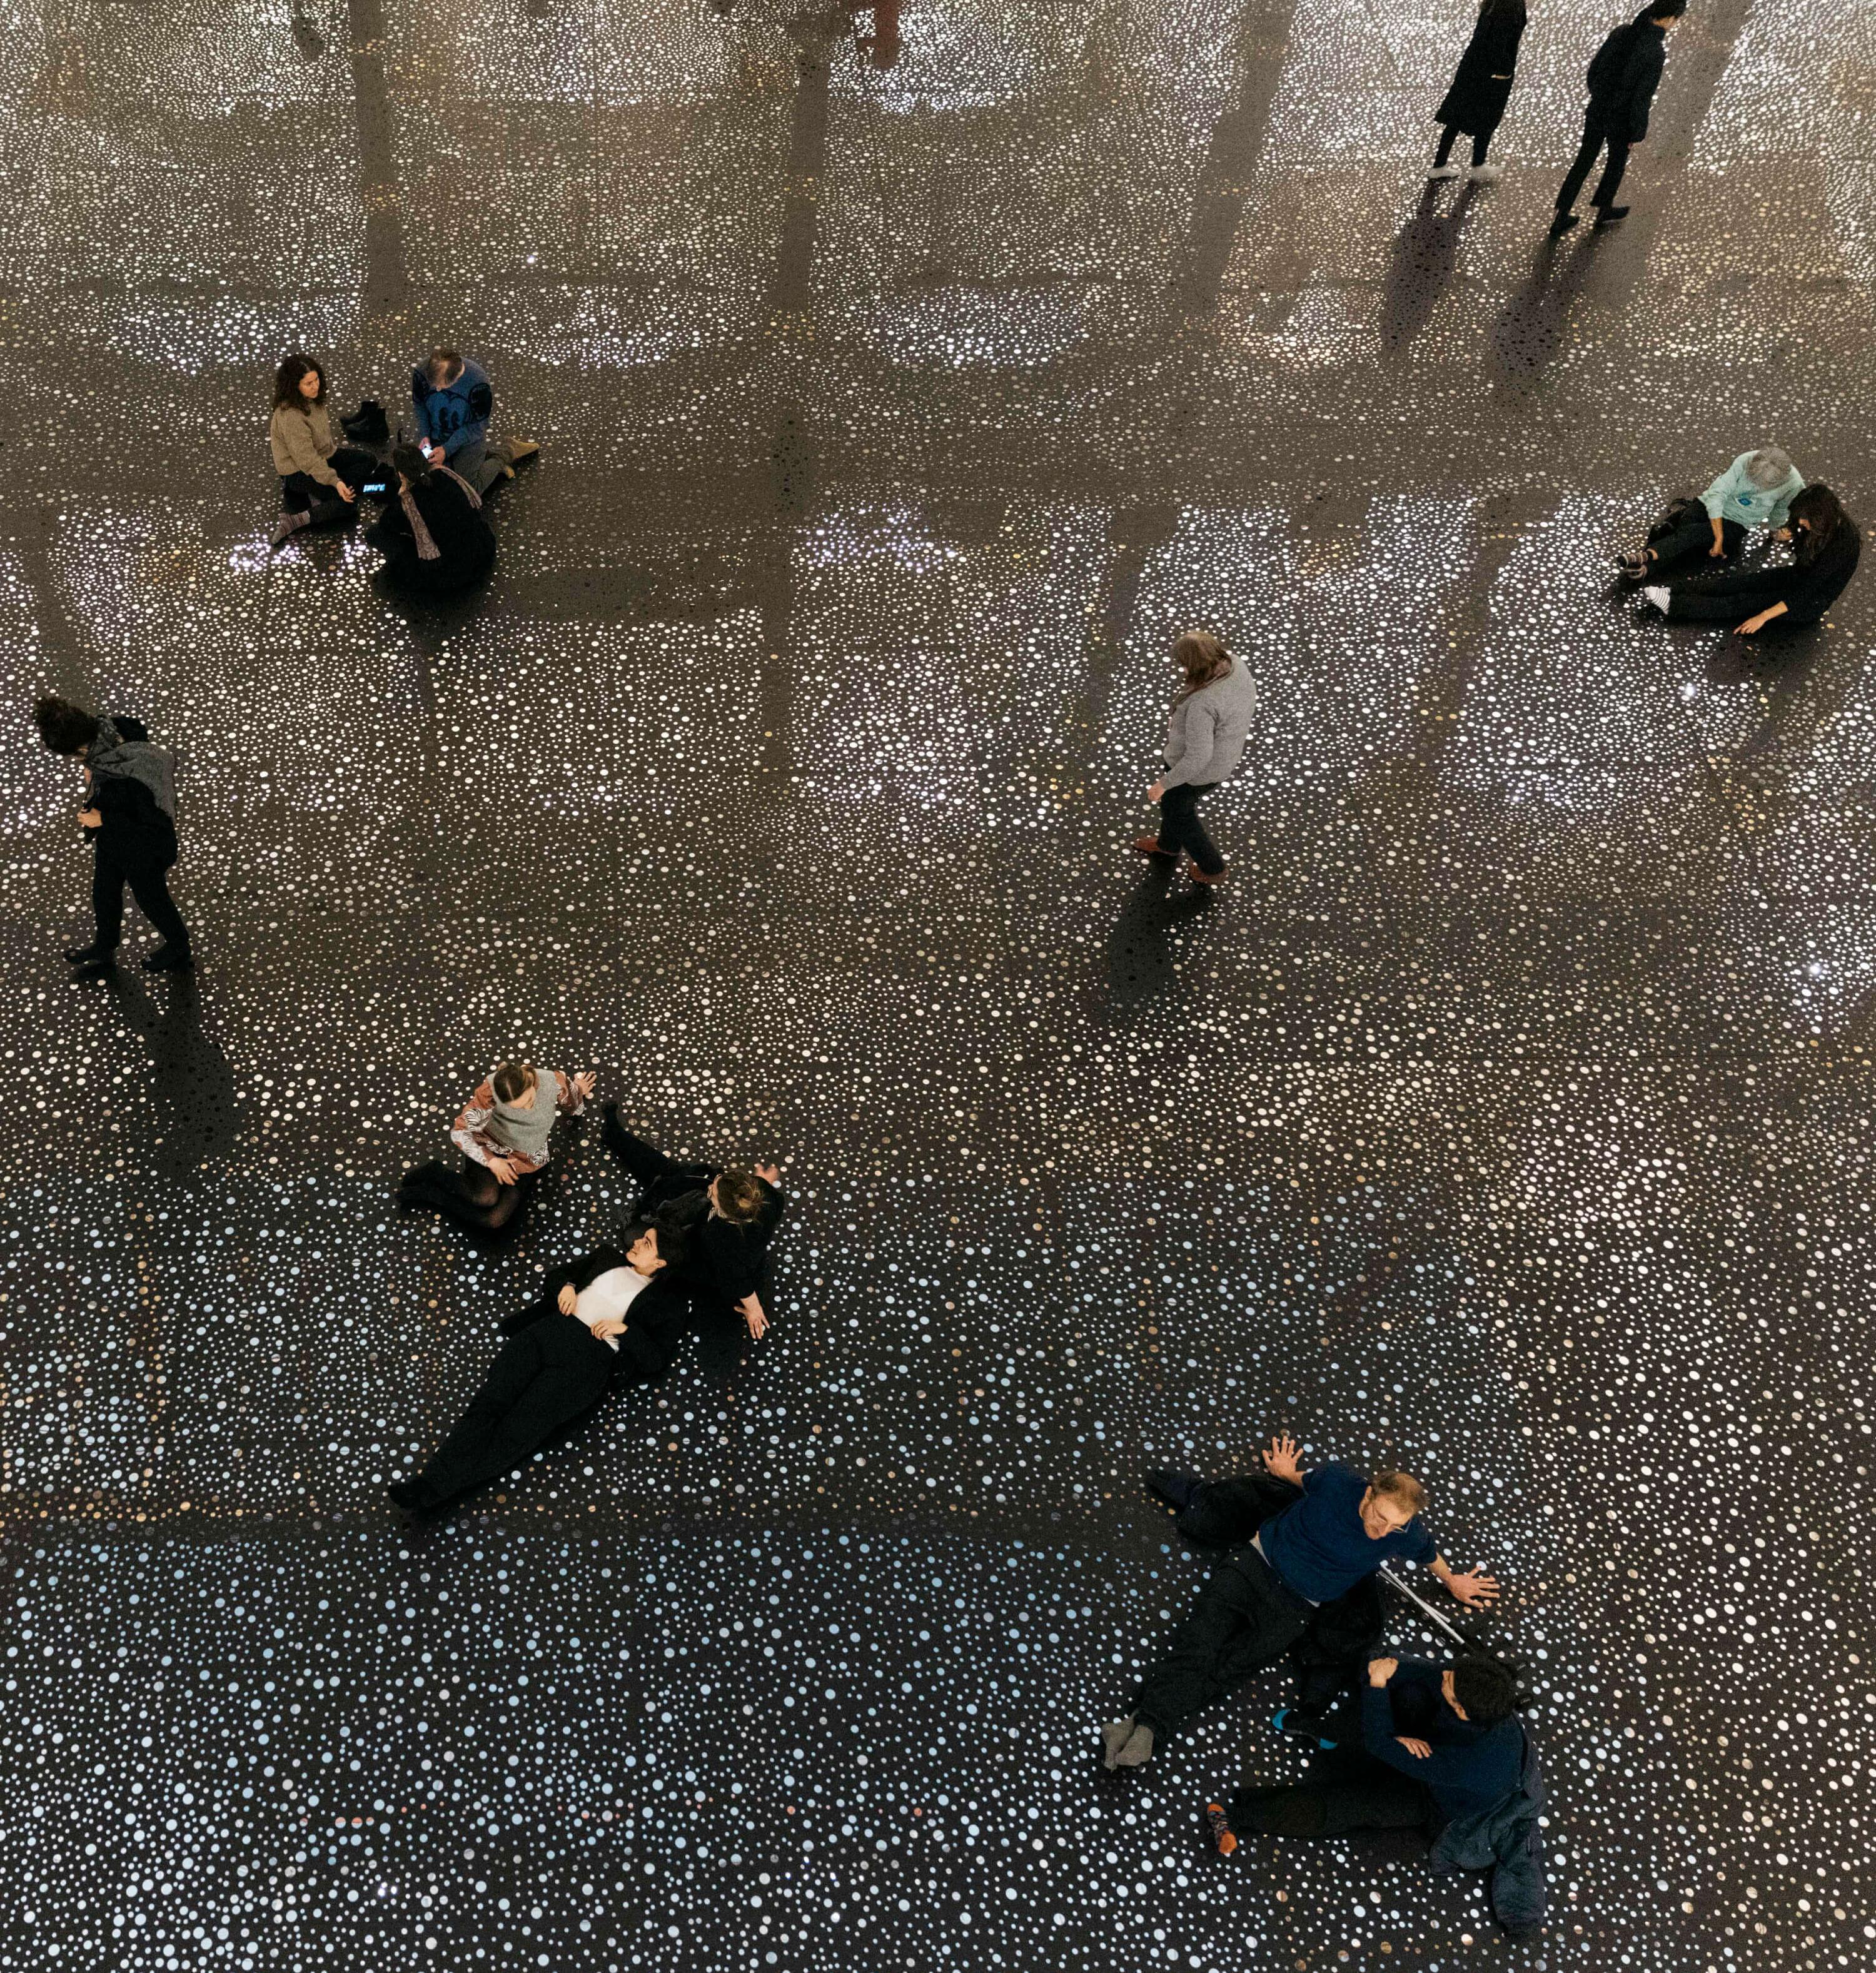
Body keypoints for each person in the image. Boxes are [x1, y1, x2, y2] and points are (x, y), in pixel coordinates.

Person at [1101, 1434, 1500, 1770]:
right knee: (1198, 1642)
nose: (1383, 1531)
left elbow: (1429, 1553)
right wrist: (1285, 1472)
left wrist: (1453, 1581)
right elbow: (1300, 1479)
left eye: (1395, 1526)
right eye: (1380, 1517)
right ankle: (1153, 1727)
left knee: (1234, 1667)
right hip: (1255, 1563)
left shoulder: (1404, 1533)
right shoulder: (1337, 1481)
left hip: (1297, 1605)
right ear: (1368, 1493)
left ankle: (1143, 1722)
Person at [1204, 1653, 1547, 1935]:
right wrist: (1384, 1675)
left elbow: (1380, 1741)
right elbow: (1416, 1672)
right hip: (1441, 1751)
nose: (1443, 1674)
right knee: (1406, 1696)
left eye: (1450, 1683)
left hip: (1439, 1802)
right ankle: (1329, 1733)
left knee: (1355, 1805)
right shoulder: (1480, 1701)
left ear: (1461, 1711)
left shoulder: (1468, 1763)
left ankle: (1240, 1816)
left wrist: (1379, 1686)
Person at [387, 1220, 690, 1518]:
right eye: (642, 1237)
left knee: (515, 1433)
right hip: (547, 1331)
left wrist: (625, 1330)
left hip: (585, 1364)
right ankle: (430, 1483)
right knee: (487, 1406)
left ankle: (434, 1489)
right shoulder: (608, 1256)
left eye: (646, 1244)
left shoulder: (669, 1304)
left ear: (661, 1262)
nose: (636, 1242)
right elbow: (559, 1275)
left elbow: (656, 1360)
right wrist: (567, 1287)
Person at [33, 695, 193, 977]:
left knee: (152, 898)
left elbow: (153, 822)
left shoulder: (133, 773)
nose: (78, 762)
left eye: (78, 755)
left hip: (144, 848)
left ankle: (179, 945)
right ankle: (105, 944)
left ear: (85, 745)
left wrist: (101, 818)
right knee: (104, 894)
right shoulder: (110, 733)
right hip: (113, 842)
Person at [600, 1104, 785, 1338]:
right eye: (718, 1180)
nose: (710, 1187)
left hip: (695, 1252)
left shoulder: (723, 1241)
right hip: (699, 1213)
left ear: (727, 1215)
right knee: (667, 1173)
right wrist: (761, 1183)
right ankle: (614, 1135)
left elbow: (738, 1281)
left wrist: (754, 1309)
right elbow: (760, 1189)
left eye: (713, 1194)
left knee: (635, 1235)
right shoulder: (766, 1196)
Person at [398, 1061, 595, 1236]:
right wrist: (491, 1161)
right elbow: (460, 1131)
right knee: (484, 1198)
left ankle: (435, 1196)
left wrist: (577, 1089)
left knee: (494, 1221)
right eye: (515, 1108)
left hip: (527, 1161)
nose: (527, 1110)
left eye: (529, 1100)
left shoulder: (552, 1082)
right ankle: (436, 1172)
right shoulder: (487, 1096)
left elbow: (572, 1102)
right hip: (490, 1150)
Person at [1643, 483, 1862, 634]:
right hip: (1800, 575)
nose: (1802, 523)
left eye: (1806, 519)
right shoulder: (1820, 527)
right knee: (1742, 583)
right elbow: (1804, 568)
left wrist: (1763, 617)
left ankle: (1675, 605)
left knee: (1743, 602)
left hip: (1809, 602)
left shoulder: (1843, 545)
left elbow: (1806, 592)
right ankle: (1675, 590)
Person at [1132, 630, 1258, 887]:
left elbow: (1198, 757)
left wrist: (1163, 783)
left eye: (1183, 664)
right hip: (1225, 755)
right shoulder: (1235, 664)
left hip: (1197, 772)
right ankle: (1167, 846)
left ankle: (1213, 868)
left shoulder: (1203, 703)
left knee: (1179, 813)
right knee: (1173, 808)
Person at [1550, 2, 1686, 236]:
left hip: (1598, 110)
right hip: (1621, 120)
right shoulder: (1654, 52)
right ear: (1668, 19)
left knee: (1584, 161)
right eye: (1677, 18)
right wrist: (1636, 132)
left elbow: (1595, 69)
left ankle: (1562, 215)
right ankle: (1604, 208)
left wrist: (1599, 97)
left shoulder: (1622, 32)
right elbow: (1641, 98)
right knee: (1616, 163)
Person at [1617, 447, 1806, 582]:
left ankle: (1646, 559)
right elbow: (1717, 495)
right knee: (1694, 538)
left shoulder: (1794, 484)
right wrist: (1718, 536)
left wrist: (1775, 531)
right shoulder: (1745, 460)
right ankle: (1648, 565)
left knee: (1692, 535)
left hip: (1738, 522)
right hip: (1710, 504)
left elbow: (1781, 510)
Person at [267, 353, 383, 549]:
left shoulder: (313, 398)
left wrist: (335, 480)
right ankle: (295, 521)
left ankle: (332, 492)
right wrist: (335, 481)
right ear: (295, 386)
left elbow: (321, 448)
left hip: (325, 455)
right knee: (349, 505)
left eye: (316, 380)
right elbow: (308, 460)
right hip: (298, 472)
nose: (315, 386)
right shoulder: (291, 417)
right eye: (308, 383)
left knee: (369, 461)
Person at [365, 445, 498, 594]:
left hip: (453, 575)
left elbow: (386, 523)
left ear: (402, 474)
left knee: (374, 534)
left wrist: (401, 493)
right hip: (483, 552)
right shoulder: (445, 473)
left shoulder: (409, 502)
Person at [410, 348, 540, 496]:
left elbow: (477, 427)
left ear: (456, 379)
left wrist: (447, 449)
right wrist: (424, 435)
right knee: (426, 481)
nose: (437, 389)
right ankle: (482, 460)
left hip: (468, 438)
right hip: (435, 433)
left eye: (441, 386)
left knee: (469, 491)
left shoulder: (479, 384)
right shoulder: (422, 372)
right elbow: (420, 405)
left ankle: (506, 452)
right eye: (434, 386)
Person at [1428, 0, 1526, 186]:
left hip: (1472, 66)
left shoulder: (1495, 3)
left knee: (1456, 117)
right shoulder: (1511, 6)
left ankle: (1440, 165)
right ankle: (1478, 163)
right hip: (1490, 72)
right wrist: (1504, 73)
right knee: (1489, 115)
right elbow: (1499, 43)